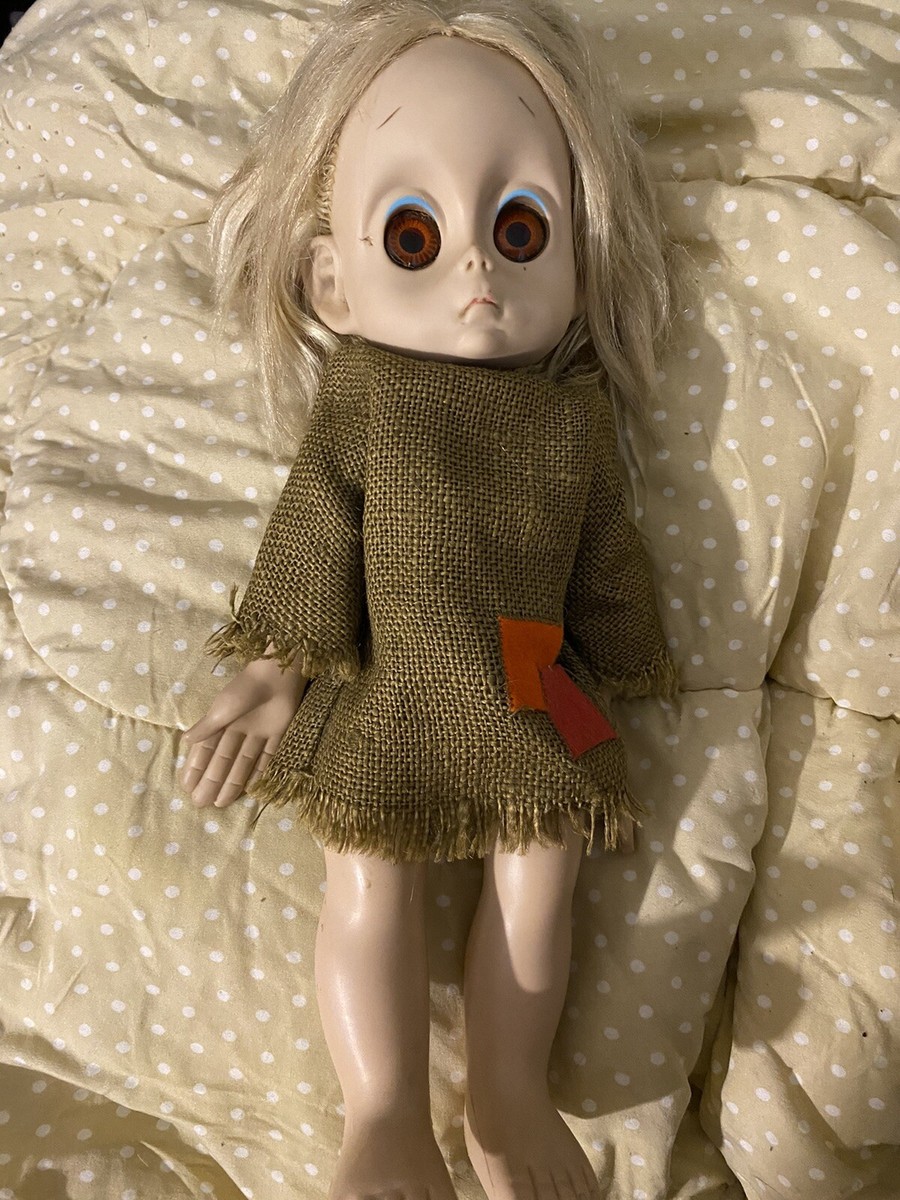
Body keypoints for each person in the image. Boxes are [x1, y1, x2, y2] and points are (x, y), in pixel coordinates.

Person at [180, 3, 677, 1197]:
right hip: (395, 680)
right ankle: (387, 1113)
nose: (476, 269)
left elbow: (605, 554)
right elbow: (316, 529)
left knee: (546, 867)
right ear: (333, 280)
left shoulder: (571, 422)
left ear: (578, 257)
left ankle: (508, 1096)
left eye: (520, 228)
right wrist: (273, 672)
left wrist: (638, 663)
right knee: (366, 876)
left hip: (537, 678)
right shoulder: (366, 401)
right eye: (415, 234)